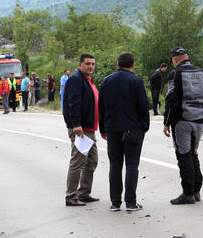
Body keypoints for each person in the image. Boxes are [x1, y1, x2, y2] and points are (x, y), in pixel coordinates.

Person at [163, 47, 203, 205]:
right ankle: (196, 190)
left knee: (184, 155)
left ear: (175, 60)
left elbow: (171, 100)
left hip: (182, 121)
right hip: (199, 120)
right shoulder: (202, 72)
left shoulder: (176, 73)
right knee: (193, 153)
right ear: (187, 56)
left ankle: (188, 193)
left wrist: (167, 122)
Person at [99, 52, 150, 212]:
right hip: (132, 128)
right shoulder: (136, 81)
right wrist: (144, 127)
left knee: (115, 165)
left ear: (117, 63)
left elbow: (101, 107)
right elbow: (143, 106)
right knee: (132, 165)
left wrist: (103, 128)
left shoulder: (106, 81)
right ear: (133, 64)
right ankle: (130, 202)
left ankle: (115, 203)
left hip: (112, 129)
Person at [62, 54, 100, 206]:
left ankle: (83, 193)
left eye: (93, 64)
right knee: (78, 162)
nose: (91, 66)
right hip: (81, 129)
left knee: (92, 161)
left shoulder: (88, 80)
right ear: (80, 65)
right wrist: (76, 124)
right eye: (87, 63)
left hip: (90, 128)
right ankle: (71, 196)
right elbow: (73, 103)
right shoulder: (76, 80)